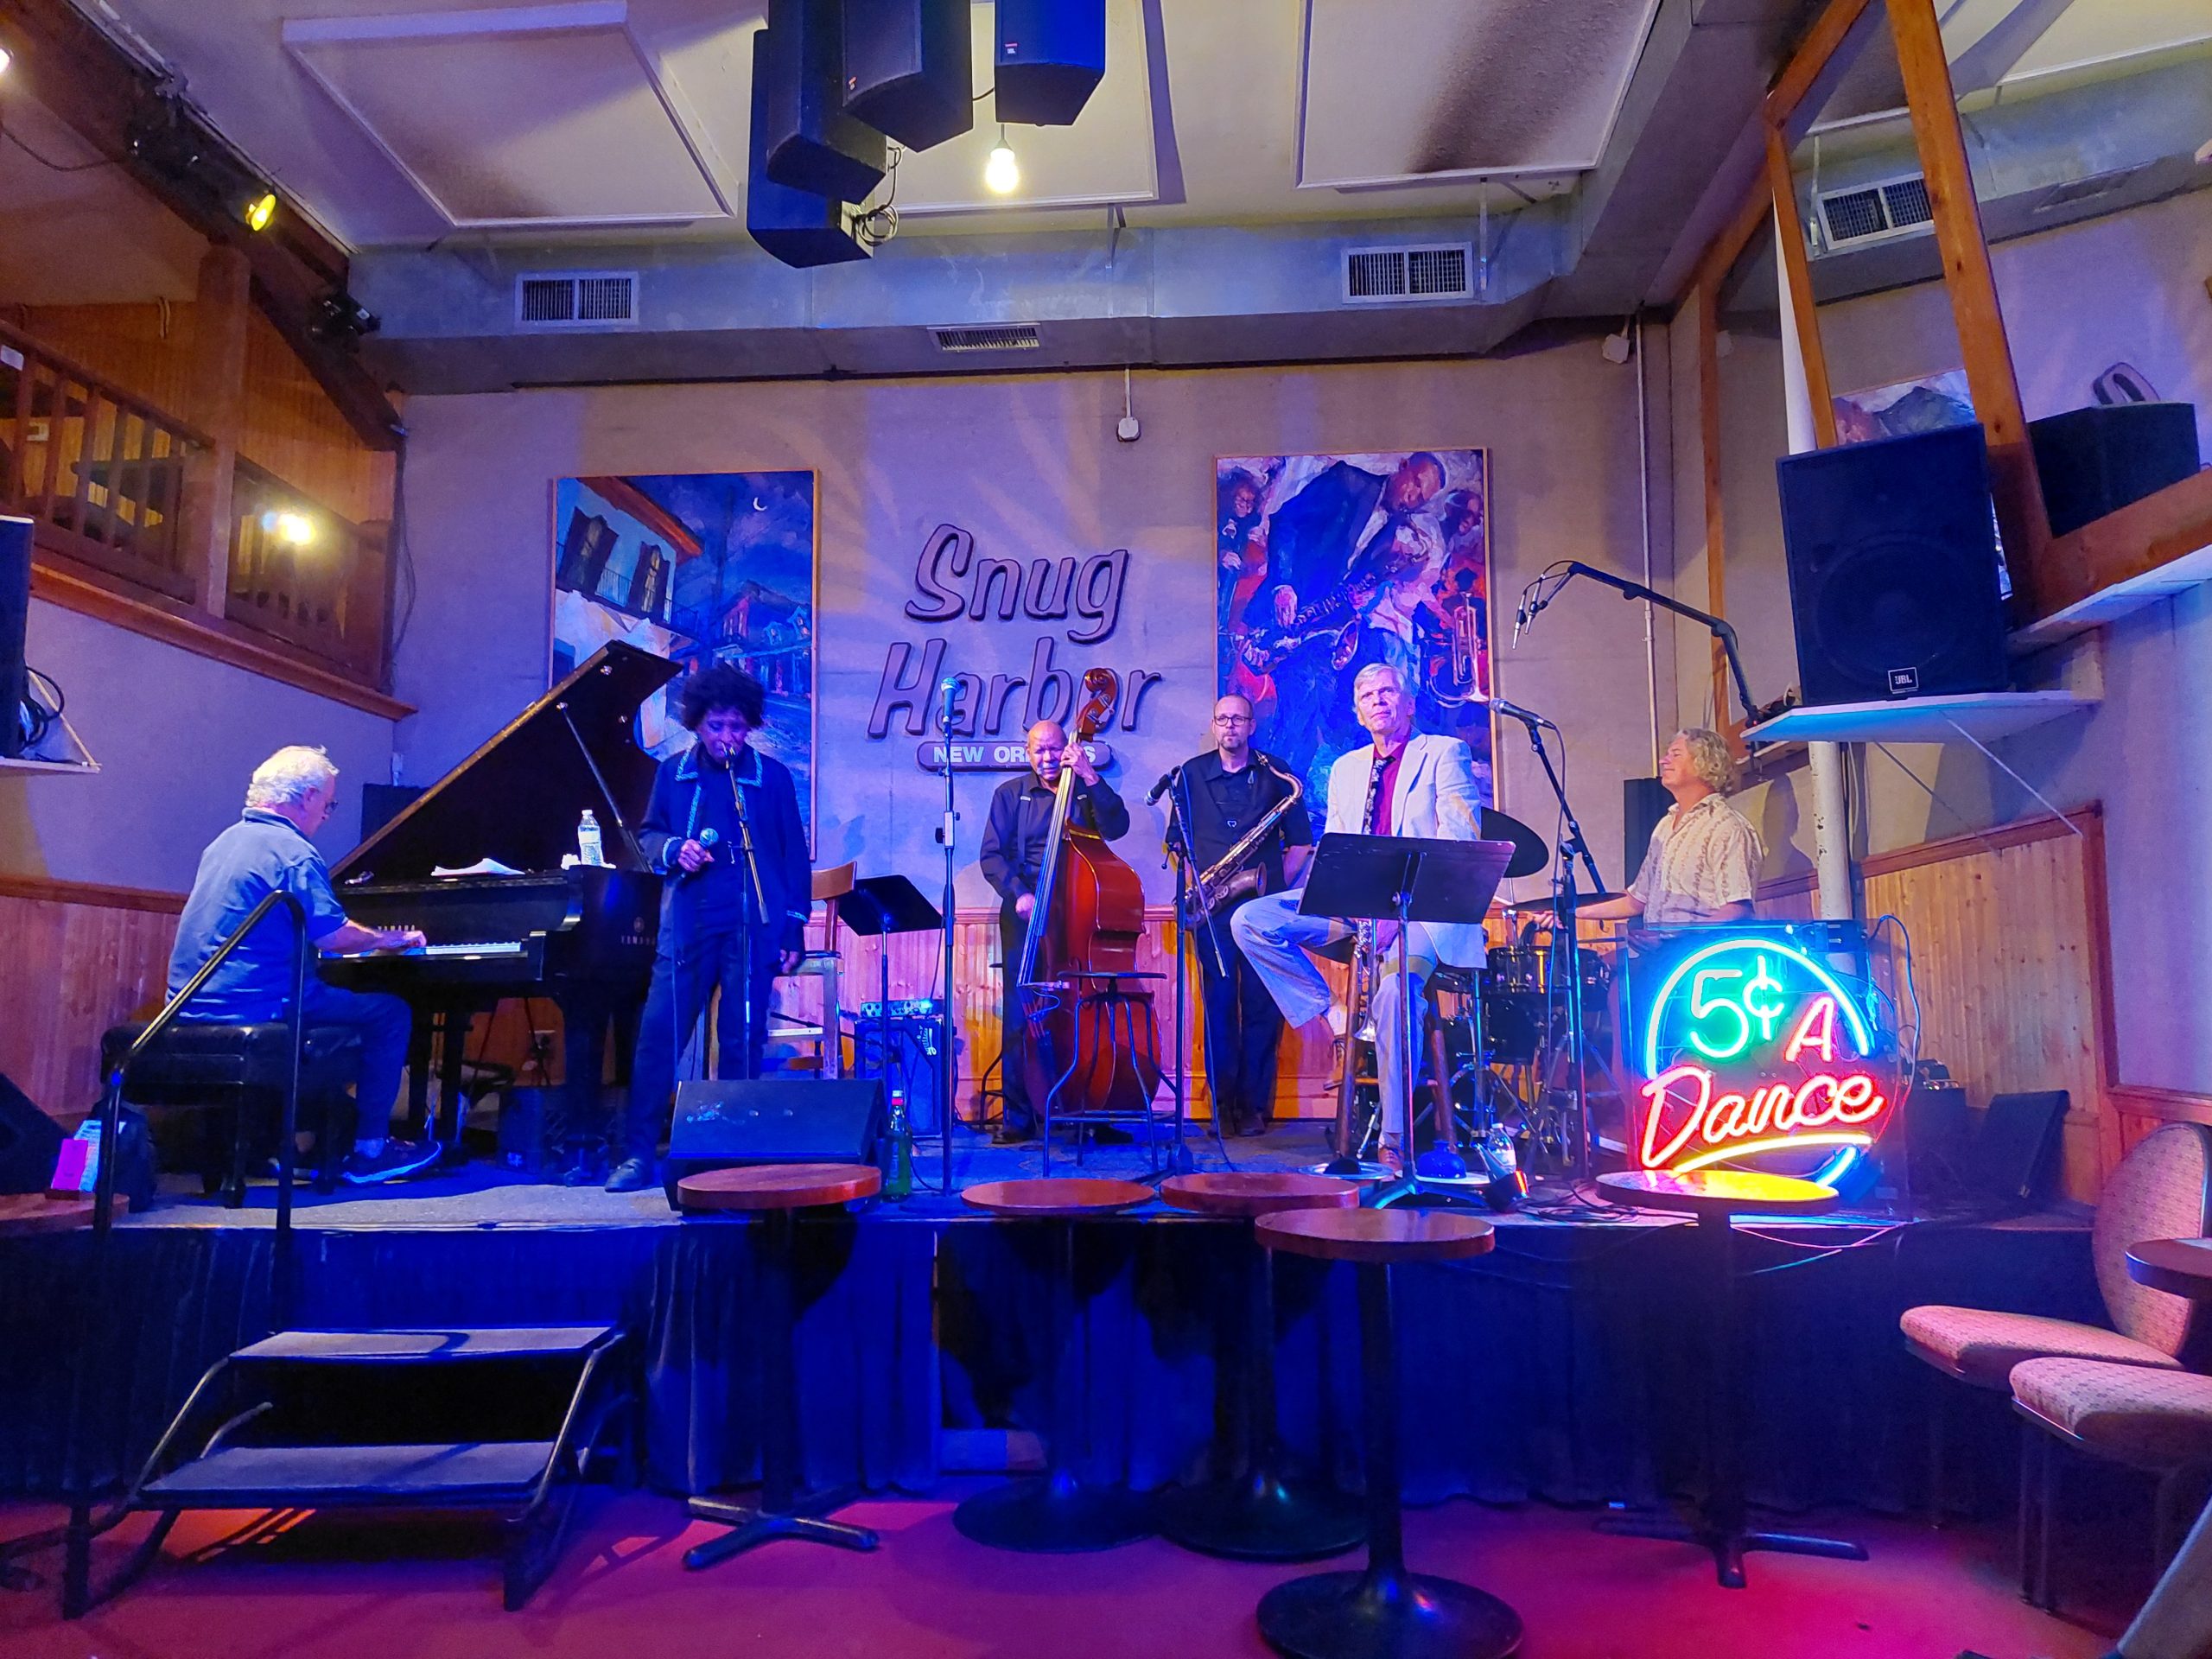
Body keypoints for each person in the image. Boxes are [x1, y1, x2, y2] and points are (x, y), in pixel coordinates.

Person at [1230, 662, 1484, 1168]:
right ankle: (1335, 1015)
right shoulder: (1346, 768)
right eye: (1367, 696)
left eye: (1388, 692)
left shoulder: (1444, 753)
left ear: (1408, 703)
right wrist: (1354, 905)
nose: (1378, 700)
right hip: (1358, 909)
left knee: (1394, 993)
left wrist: (1395, 912)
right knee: (1251, 920)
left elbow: (1458, 846)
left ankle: (1394, 1140)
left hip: (1423, 914)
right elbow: (1339, 849)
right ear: (1358, 712)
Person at [167, 746, 436, 1184]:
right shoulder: (293, 851)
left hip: (189, 1005)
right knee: (390, 1012)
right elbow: (333, 937)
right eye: (328, 803)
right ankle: (370, 1150)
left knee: (337, 1008)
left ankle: (291, 1141)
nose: (326, 814)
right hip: (259, 1005)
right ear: (307, 797)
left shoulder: (223, 843)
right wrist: (388, 939)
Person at [609, 663, 810, 1194]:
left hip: (752, 926)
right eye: (717, 725)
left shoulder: (771, 778)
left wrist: (794, 927)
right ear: (698, 723)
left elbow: (793, 855)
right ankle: (638, 1154)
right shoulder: (672, 773)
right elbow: (649, 836)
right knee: (659, 1037)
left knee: (741, 1039)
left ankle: (734, 1154)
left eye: (737, 727)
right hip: (687, 924)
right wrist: (675, 849)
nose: (727, 736)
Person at [977, 720, 1131, 1144]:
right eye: (1038, 751)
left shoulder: (1083, 788)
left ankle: (1091, 1111)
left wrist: (1089, 775)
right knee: (1020, 1009)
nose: (1046, 758)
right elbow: (991, 855)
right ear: (1028, 753)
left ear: (1068, 748)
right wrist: (1019, 893)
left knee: (1087, 1007)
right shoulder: (1010, 794)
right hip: (1027, 911)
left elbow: (1117, 826)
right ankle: (1020, 1116)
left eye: (1053, 749)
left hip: (1080, 910)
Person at [1170, 695, 1313, 1137]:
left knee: (1261, 1007)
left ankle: (1253, 1108)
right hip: (1211, 910)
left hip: (1260, 914)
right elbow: (1179, 844)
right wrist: (1203, 890)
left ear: (1252, 725)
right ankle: (1221, 1107)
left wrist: (1272, 889)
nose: (1230, 725)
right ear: (1214, 725)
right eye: (1223, 718)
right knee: (1217, 1005)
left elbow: (1301, 844)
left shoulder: (1276, 773)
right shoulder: (1189, 775)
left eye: (1238, 718)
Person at [1581, 728, 1764, 926]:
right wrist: (1572, 912)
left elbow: (1737, 909)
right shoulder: (1665, 825)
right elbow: (1636, 900)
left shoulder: (1725, 826)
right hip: (1664, 944)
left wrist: (1678, 937)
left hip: (1701, 945)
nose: (1663, 761)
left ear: (1706, 763)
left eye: (1676, 755)